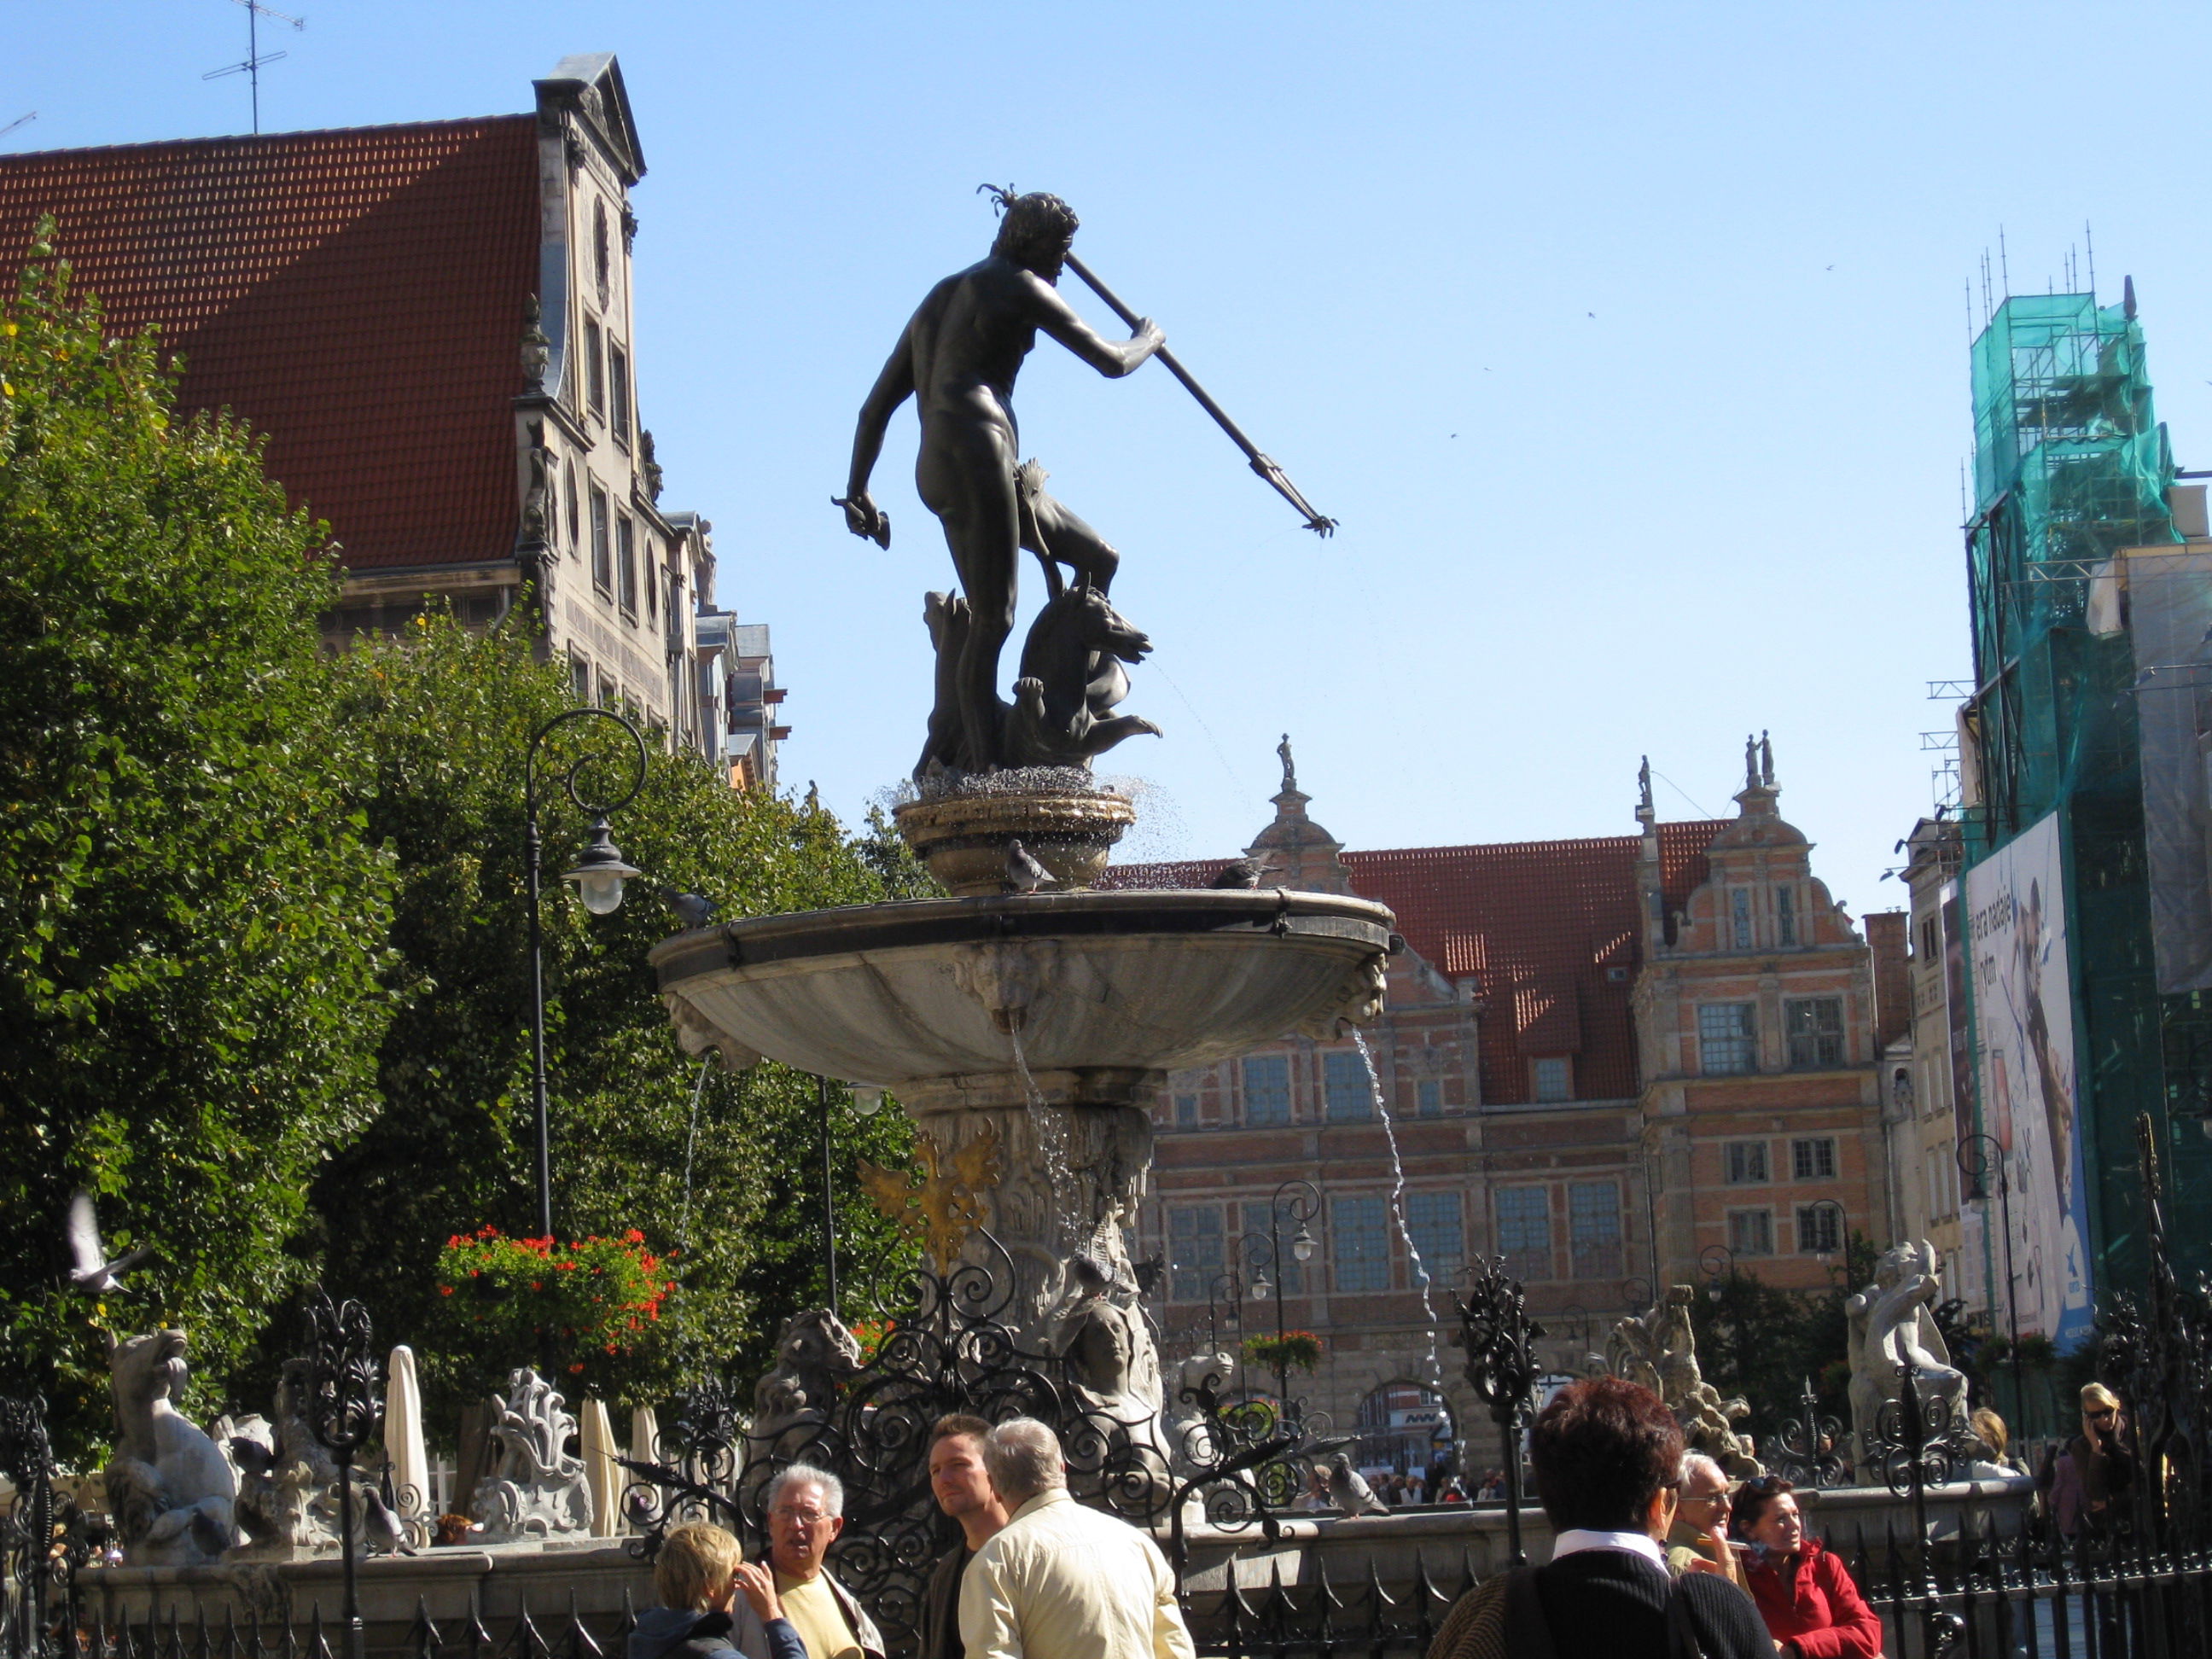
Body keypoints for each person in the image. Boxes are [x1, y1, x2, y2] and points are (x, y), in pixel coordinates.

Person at [840, 190, 1165, 773]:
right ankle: (990, 771)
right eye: (1060, 250)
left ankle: (1068, 711)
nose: (1063, 264)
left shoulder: (937, 300)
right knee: (995, 619)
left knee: (1098, 558)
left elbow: (873, 411)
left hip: (949, 464)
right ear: (1032, 242)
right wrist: (1148, 339)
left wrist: (859, 488)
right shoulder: (1021, 283)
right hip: (978, 450)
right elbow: (1112, 361)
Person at [1426, 1377, 1771, 1659]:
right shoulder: (1716, 1609)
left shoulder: (1487, 1614)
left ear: (1549, 1500)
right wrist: (1732, 1600)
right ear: (1661, 1504)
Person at [958, 1417, 1194, 1659]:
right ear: (1061, 1468)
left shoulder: (996, 1562)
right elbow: (1175, 1650)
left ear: (994, 1487)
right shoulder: (1138, 1544)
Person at [732, 1465, 884, 1659]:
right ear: (771, 1522)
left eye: (809, 1514)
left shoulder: (848, 1606)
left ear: (835, 1528)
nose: (796, 1525)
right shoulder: (741, 1597)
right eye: (785, 1512)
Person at [1732, 1476, 1881, 1659]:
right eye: (1781, 1519)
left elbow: (1867, 1633)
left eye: (1795, 1515)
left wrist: (1797, 1649)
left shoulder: (1825, 1566)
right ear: (1748, 1529)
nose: (1794, 1525)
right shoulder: (1739, 1578)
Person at [630, 1522, 806, 1659]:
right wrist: (773, 1615)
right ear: (710, 1587)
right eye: (733, 1576)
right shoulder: (717, 1654)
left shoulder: (644, 1638)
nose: (737, 1585)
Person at [919, 1415, 1012, 1659]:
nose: (944, 1479)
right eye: (935, 1471)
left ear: (994, 1471)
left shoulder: (1026, 1556)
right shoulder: (945, 1573)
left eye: (958, 1464)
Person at [2037, 1382, 2135, 1541]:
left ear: (2116, 1406)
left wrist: (2115, 1500)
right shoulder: (2082, 1446)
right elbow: (2094, 1494)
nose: (2104, 1419)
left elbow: (2147, 1481)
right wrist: (2096, 1450)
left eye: (2107, 1411)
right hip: (2106, 1527)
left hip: (2141, 1518)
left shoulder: (2133, 1432)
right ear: (2086, 1417)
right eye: (2095, 1415)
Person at [1666, 1453, 1744, 1589]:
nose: (1727, 1507)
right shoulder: (1687, 1566)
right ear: (1677, 1508)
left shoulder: (1708, 1554)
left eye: (1727, 1495)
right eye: (1713, 1498)